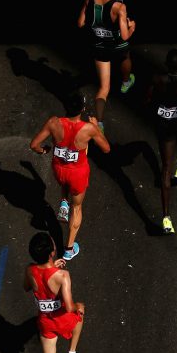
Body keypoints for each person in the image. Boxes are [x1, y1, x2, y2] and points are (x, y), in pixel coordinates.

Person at [29, 92, 110, 261]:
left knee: (64, 182)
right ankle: (69, 249)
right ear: (82, 108)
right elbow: (106, 149)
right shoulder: (88, 129)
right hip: (78, 174)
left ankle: (64, 202)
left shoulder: (53, 122)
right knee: (77, 207)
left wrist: (44, 150)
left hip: (59, 169)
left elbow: (34, 145)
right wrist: (97, 127)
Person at [23, 232, 85, 353]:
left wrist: (49, 268)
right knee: (80, 312)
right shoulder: (63, 276)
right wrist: (78, 307)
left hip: (45, 322)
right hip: (61, 319)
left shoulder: (29, 270)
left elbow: (27, 287)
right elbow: (68, 305)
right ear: (52, 253)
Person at [145, 49, 177, 234]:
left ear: (167, 64)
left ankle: (166, 217)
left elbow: (149, 99)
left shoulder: (157, 80)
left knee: (165, 169)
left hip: (164, 127)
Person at [76, 0, 136, 129]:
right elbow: (124, 36)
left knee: (104, 88)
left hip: (100, 47)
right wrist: (132, 27)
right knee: (125, 56)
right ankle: (125, 81)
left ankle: (99, 122)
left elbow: (80, 23)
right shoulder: (118, 7)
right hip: (117, 46)